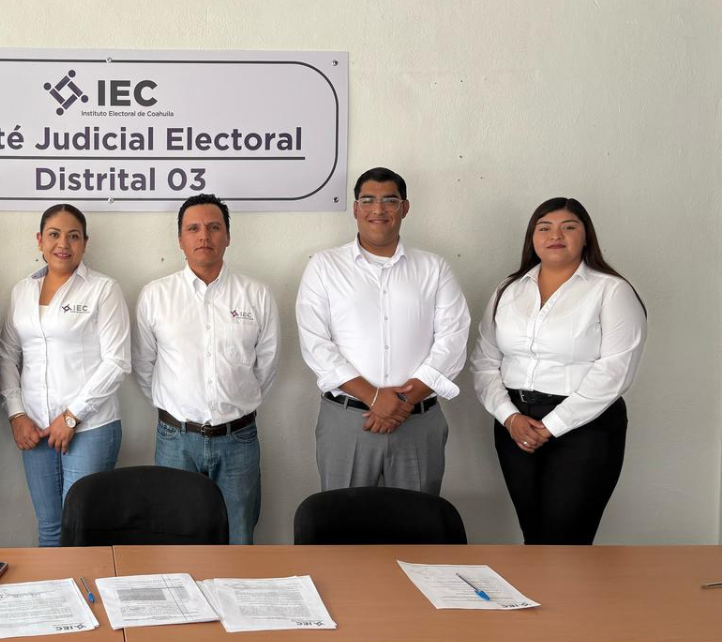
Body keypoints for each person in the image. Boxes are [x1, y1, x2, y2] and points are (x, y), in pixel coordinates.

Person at [471, 197, 646, 545]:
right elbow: (485, 361)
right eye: (545, 228)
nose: (556, 235)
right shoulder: (508, 289)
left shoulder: (611, 290)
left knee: (567, 541)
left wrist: (551, 426)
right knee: (534, 536)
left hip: (585, 427)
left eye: (569, 227)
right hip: (515, 425)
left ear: (586, 236)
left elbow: (616, 370)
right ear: (532, 237)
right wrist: (509, 417)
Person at [296, 167, 470, 495]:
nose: (378, 209)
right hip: (348, 422)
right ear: (355, 208)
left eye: (390, 200)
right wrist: (374, 397)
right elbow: (315, 342)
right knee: (345, 520)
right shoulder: (324, 266)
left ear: (405, 207)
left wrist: (402, 401)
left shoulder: (434, 268)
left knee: (416, 520)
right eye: (368, 200)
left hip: (417, 422)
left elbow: (453, 338)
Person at [133, 194, 279, 545]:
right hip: (176, 440)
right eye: (193, 229)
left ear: (227, 236)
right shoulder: (156, 295)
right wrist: (177, 406)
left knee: (239, 537)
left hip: (238, 439)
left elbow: (267, 364)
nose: (204, 236)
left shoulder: (256, 295)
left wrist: (234, 404)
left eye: (214, 228)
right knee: (175, 539)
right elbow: (144, 364)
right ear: (180, 239)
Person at [0, 204, 131, 546]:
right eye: (54, 235)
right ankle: (55, 585)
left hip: (90, 427)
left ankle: (87, 585)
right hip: (35, 428)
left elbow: (117, 362)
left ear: (85, 243)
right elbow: (7, 355)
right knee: (49, 528)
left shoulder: (103, 289)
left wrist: (71, 417)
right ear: (40, 240)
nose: (63, 244)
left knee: (81, 530)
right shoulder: (22, 291)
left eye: (73, 236)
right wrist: (16, 414)